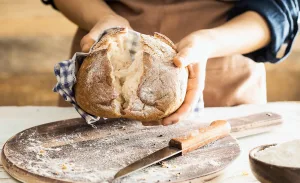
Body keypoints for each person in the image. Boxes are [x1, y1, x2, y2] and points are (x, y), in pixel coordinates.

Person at [42, 0, 299, 125]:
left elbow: (281, 7)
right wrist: (104, 17)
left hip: (223, 73)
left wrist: (209, 43)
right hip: (100, 65)